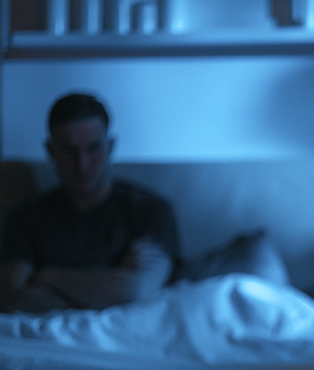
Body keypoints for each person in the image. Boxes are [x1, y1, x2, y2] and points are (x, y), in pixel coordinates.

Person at [0, 93, 180, 312]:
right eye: (69, 151)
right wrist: (109, 282)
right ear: (50, 150)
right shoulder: (25, 215)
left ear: (110, 146)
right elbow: (12, 297)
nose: (82, 165)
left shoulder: (150, 211)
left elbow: (135, 290)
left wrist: (47, 276)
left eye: (93, 148)